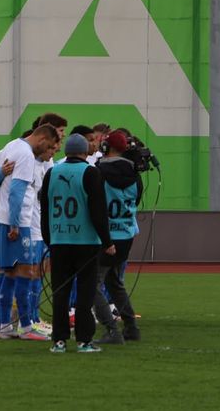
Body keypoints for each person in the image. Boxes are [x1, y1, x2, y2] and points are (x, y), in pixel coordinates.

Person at [40, 133, 115, 354]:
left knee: (60, 292)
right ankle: (84, 340)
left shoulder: (52, 173)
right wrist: (107, 241)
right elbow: (98, 211)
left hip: (59, 240)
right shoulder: (91, 173)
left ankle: (59, 340)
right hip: (85, 241)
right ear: (84, 152)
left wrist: (48, 238)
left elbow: (45, 208)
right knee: (85, 293)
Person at [0, 122, 59, 340]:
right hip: (18, 222)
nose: (51, 153)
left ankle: (4, 326)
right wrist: (15, 224)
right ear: (42, 139)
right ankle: (26, 327)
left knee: (10, 273)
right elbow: (17, 192)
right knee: (24, 272)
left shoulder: (12, 146)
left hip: (10, 219)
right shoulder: (27, 156)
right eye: (51, 147)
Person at [92, 130, 143, 344]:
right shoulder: (135, 176)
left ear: (106, 148)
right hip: (126, 235)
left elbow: (93, 204)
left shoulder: (98, 172)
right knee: (114, 282)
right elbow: (137, 200)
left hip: (105, 237)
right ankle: (131, 327)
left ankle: (112, 330)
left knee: (92, 285)